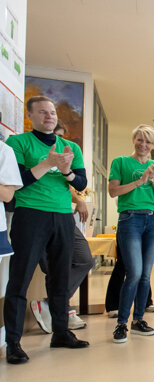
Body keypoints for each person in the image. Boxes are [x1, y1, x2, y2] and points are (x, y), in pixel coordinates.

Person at [3, 96, 90, 364]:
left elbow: (81, 182)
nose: (49, 116)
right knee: (20, 278)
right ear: (30, 116)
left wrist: (66, 171)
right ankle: (13, 343)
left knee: (60, 278)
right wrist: (48, 163)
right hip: (30, 214)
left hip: (63, 215)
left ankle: (61, 333)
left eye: (52, 112)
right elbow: (16, 181)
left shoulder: (70, 147)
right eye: (42, 112)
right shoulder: (18, 143)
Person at [29, 119, 94, 333]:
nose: (56, 141)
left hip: (63, 214)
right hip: (37, 213)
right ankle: (62, 310)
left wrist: (79, 200)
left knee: (84, 259)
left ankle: (52, 304)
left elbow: (74, 183)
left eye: (60, 136)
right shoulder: (32, 151)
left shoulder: (67, 155)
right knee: (53, 267)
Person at [107, 124, 154, 343]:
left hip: (152, 220)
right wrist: (139, 181)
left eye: (148, 141)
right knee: (133, 272)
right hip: (130, 218)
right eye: (140, 139)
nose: (144, 145)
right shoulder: (120, 162)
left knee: (145, 275)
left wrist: (152, 177)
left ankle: (138, 320)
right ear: (133, 140)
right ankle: (121, 323)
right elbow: (113, 191)